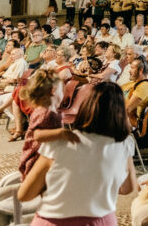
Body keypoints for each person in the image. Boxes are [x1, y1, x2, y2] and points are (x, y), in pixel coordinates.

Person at [18, 82, 137, 224]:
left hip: (54, 220)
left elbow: (25, 194)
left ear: (86, 107)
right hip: (101, 220)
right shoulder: (124, 145)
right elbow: (128, 187)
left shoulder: (59, 142)